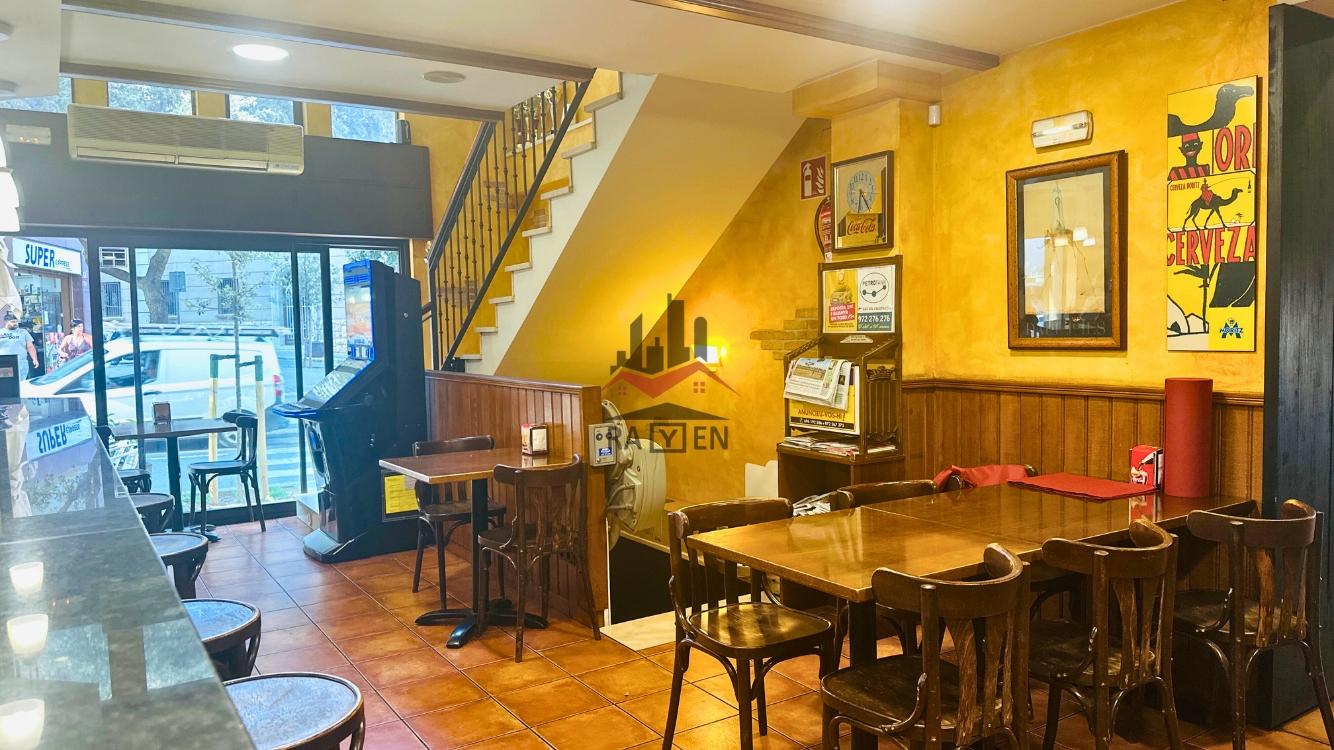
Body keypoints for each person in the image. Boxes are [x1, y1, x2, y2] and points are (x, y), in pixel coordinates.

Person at [0, 313, 38, 381]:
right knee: (7, 381)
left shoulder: (23, 332)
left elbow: (30, 346)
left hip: (21, 362)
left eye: (16, 321)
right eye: (13, 322)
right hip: (5, 362)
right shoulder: (1, 332)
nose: (15, 323)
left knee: (21, 382)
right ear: (6, 322)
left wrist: (34, 359)